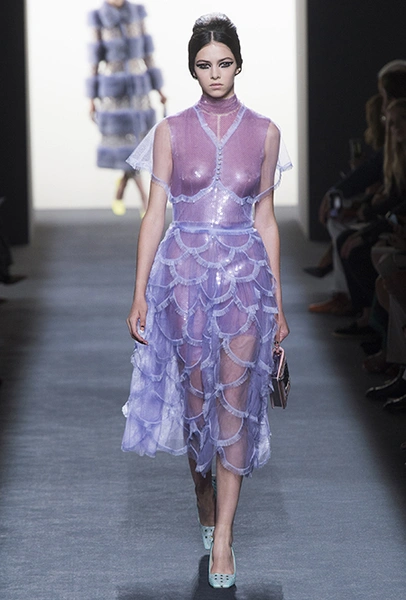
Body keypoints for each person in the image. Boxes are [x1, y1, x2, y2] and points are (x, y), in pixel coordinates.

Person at [121, 13, 291, 588]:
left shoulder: (265, 132)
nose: (215, 74)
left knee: (234, 405)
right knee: (197, 408)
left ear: (239, 64)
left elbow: (266, 220)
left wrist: (279, 304)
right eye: (204, 65)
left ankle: (224, 538)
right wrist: (140, 293)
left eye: (224, 63)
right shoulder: (170, 131)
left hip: (246, 280)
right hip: (184, 280)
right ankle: (203, 495)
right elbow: (154, 216)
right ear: (192, 70)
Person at [86, 0, 166, 215]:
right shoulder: (99, 17)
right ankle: (144, 198)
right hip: (114, 91)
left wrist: (159, 89)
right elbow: (95, 61)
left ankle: (121, 185)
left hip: (139, 89)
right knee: (125, 144)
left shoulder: (137, 13)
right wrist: (92, 98)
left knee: (140, 143)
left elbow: (148, 55)